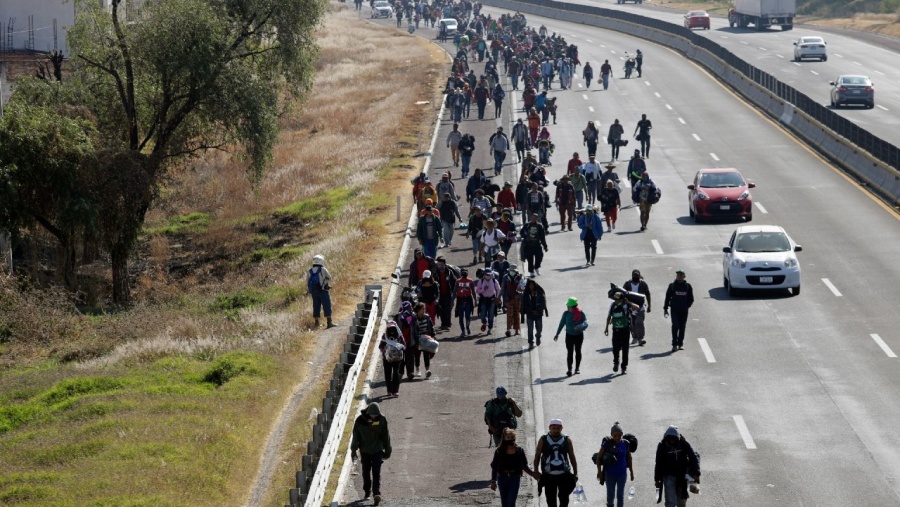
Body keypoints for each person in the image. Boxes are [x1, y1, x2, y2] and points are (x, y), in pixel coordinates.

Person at [351, 402, 392, 506]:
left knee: (376, 472)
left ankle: (376, 493)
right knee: (366, 472)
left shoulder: (382, 419)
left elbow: (385, 435)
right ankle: (367, 491)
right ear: (368, 412)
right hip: (365, 451)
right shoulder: (360, 420)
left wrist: (388, 450)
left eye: (376, 414)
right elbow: (356, 436)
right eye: (372, 414)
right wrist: (353, 450)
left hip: (377, 450)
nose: (374, 416)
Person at [533, 418, 578, 507]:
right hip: (548, 476)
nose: (556, 430)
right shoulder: (543, 439)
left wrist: (575, 472)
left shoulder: (567, 440)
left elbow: (572, 456)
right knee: (551, 501)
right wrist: (536, 470)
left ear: (561, 428)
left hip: (564, 475)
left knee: (564, 500)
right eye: (554, 428)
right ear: (549, 428)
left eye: (558, 428)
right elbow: (537, 455)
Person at [654, 426, 701, 507]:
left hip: (681, 477)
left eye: (674, 439)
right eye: (670, 439)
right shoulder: (662, 445)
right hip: (668, 476)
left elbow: (693, 456)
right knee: (670, 501)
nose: (672, 441)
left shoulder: (683, 443)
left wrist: (696, 472)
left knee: (682, 502)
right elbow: (658, 462)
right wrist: (657, 479)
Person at [491, 429, 539, 507]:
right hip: (502, 478)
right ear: (504, 438)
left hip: (515, 478)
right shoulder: (499, 451)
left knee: (511, 501)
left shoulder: (519, 451)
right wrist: (493, 481)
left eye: (512, 437)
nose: (510, 439)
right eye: (508, 437)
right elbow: (494, 466)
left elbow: (524, 465)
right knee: (504, 502)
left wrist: (532, 474)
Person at [596, 422, 634, 507]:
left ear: (622, 434)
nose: (617, 438)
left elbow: (629, 458)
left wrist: (631, 472)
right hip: (609, 474)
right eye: (615, 435)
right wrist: (599, 472)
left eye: (619, 435)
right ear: (611, 435)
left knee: (620, 496)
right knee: (610, 496)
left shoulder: (625, 443)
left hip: (622, 474)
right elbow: (598, 457)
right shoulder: (607, 443)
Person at [604, 293, 638, 374]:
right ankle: (616, 362)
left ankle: (624, 367)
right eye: (615, 299)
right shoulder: (612, 305)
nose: (616, 300)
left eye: (617, 299)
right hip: (616, 330)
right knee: (615, 349)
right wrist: (606, 328)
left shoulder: (626, 305)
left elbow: (637, 308)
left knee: (625, 349)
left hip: (625, 330)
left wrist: (629, 302)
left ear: (622, 299)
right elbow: (609, 316)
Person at [554, 297, 589, 377]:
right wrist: (557, 334)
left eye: (568, 306)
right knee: (570, 352)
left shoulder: (581, 313)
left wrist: (580, 327)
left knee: (578, 351)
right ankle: (569, 369)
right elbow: (561, 323)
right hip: (569, 336)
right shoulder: (566, 314)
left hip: (579, 336)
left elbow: (586, 322)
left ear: (572, 306)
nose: (567, 307)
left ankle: (577, 368)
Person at [663, 270, 694, 352]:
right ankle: (674, 344)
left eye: (681, 275)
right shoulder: (672, 286)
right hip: (674, 310)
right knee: (675, 325)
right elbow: (667, 298)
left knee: (682, 327)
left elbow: (691, 299)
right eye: (678, 275)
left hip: (684, 310)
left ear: (684, 276)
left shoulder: (688, 286)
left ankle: (680, 344)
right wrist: (665, 308)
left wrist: (687, 306)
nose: (679, 277)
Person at [623, 270, 651, 346]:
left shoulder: (643, 284)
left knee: (639, 322)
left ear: (639, 276)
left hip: (640, 307)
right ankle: (635, 337)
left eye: (637, 275)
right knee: (632, 324)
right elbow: (623, 294)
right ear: (632, 276)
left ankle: (640, 339)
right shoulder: (627, 284)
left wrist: (649, 305)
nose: (635, 276)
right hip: (630, 307)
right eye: (634, 275)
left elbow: (648, 294)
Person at [378, 321, 405, 397]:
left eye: (393, 328)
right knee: (388, 374)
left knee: (396, 374)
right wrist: (385, 348)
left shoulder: (399, 337)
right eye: (390, 329)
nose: (392, 331)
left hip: (397, 358)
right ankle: (389, 390)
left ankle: (395, 391)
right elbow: (380, 346)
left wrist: (399, 347)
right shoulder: (384, 336)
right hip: (386, 359)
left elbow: (404, 346)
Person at [307, 254, 334, 328]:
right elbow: (329, 277)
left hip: (314, 292)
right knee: (326, 305)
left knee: (316, 306)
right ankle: (329, 322)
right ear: (321, 261)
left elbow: (307, 282)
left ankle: (317, 323)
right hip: (323, 290)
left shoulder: (309, 271)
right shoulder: (323, 269)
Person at [521, 278, 548, 347]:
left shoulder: (539, 293)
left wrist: (538, 310)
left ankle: (538, 337)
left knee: (539, 328)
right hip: (530, 314)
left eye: (532, 285)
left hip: (538, 314)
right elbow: (524, 304)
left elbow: (543, 303)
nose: (531, 287)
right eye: (530, 285)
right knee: (530, 328)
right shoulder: (526, 294)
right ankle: (531, 342)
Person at [520, 213, 548, 277]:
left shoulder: (540, 226)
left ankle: (536, 267)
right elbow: (522, 232)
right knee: (530, 259)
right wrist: (525, 237)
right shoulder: (527, 225)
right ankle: (531, 271)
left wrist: (545, 246)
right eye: (532, 218)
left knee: (539, 256)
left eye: (535, 218)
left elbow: (542, 237)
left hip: (537, 244)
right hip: (528, 245)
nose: (533, 219)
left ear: (537, 219)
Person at [434, 256, 458, 330]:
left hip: (448, 294)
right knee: (441, 310)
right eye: (438, 264)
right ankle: (443, 324)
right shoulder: (435, 273)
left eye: (441, 264)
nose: (440, 266)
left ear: (445, 264)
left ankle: (447, 324)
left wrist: (454, 293)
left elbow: (455, 282)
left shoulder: (450, 273)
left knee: (447, 309)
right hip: (439, 295)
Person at [476, 269, 501, 333]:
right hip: (483, 300)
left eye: (489, 275)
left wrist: (497, 297)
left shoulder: (494, 281)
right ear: (484, 274)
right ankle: (484, 322)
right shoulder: (480, 281)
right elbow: (477, 291)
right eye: (486, 275)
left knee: (491, 315)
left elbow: (498, 289)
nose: (487, 276)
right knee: (482, 315)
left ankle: (490, 328)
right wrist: (483, 290)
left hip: (492, 300)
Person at [455, 267, 476, 336]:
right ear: (461, 273)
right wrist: (452, 301)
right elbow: (454, 291)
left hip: (468, 300)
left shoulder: (470, 281)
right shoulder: (458, 281)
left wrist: (475, 300)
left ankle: (467, 327)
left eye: (465, 271)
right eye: (463, 271)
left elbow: (473, 291)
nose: (464, 273)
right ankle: (463, 330)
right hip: (460, 300)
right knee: (461, 317)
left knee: (467, 316)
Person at [503, 266, 524, 336]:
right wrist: (498, 296)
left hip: (517, 299)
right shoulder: (505, 277)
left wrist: (520, 290)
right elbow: (502, 288)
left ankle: (517, 330)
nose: (512, 272)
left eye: (513, 270)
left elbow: (523, 287)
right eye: (511, 270)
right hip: (508, 299)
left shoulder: (519, 278)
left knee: (516, 314)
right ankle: (508, 329)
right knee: (509, 314)